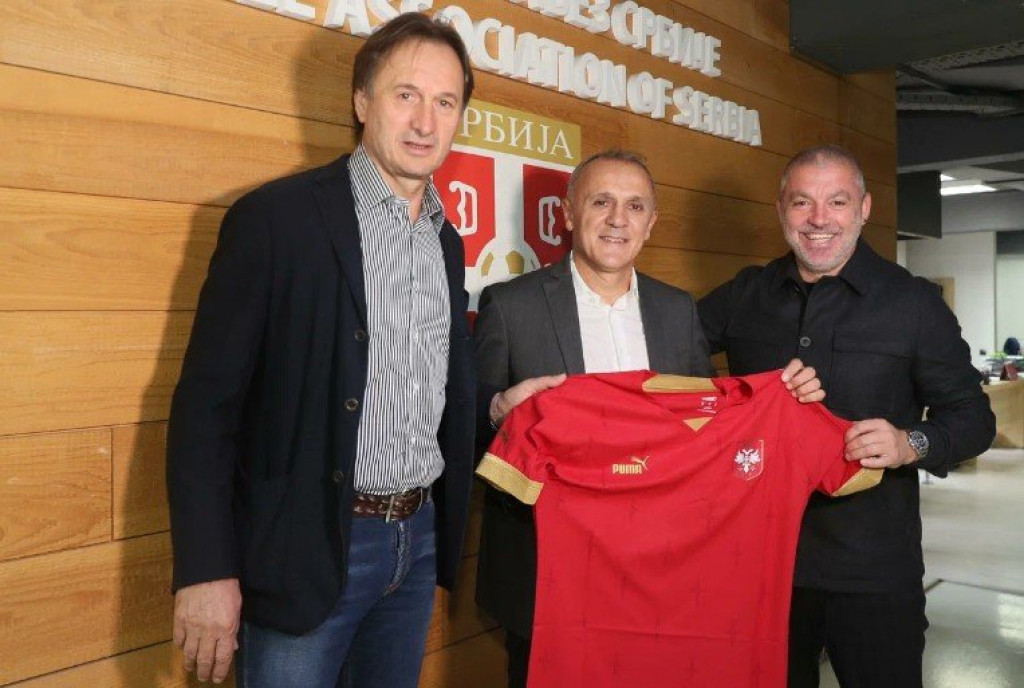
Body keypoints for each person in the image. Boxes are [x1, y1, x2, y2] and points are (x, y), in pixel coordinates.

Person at [165, 13, 476, 688]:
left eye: (445, 102)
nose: (425, 121)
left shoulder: (446, 243)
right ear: (362, 100)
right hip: (303, 548)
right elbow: (205, 408)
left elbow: (442, 389)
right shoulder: (275, 221)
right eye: (406, 95)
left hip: (415, 543)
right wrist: (206, 568)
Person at [473, 150, 824, 688]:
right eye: (601, 202)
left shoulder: (678, 310)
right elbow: (467, 426)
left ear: (652, 222)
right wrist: (498, 411)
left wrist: (785, 400)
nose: (618, 219)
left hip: (660, 579)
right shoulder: (510, 305)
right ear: (567, 214)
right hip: (548, 574)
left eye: (635, 206)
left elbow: (707, 433)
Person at [698, 144, 996, 688]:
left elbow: (974, 417)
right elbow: (670, 372)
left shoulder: (913, 303)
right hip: (761, 566)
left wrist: (910, 443)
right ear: (781, 210)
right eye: (801, 202)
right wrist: (740, 400)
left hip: (872, 571)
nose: (819, 219)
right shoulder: (744, 295)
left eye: (836, 201)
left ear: (864, 208)